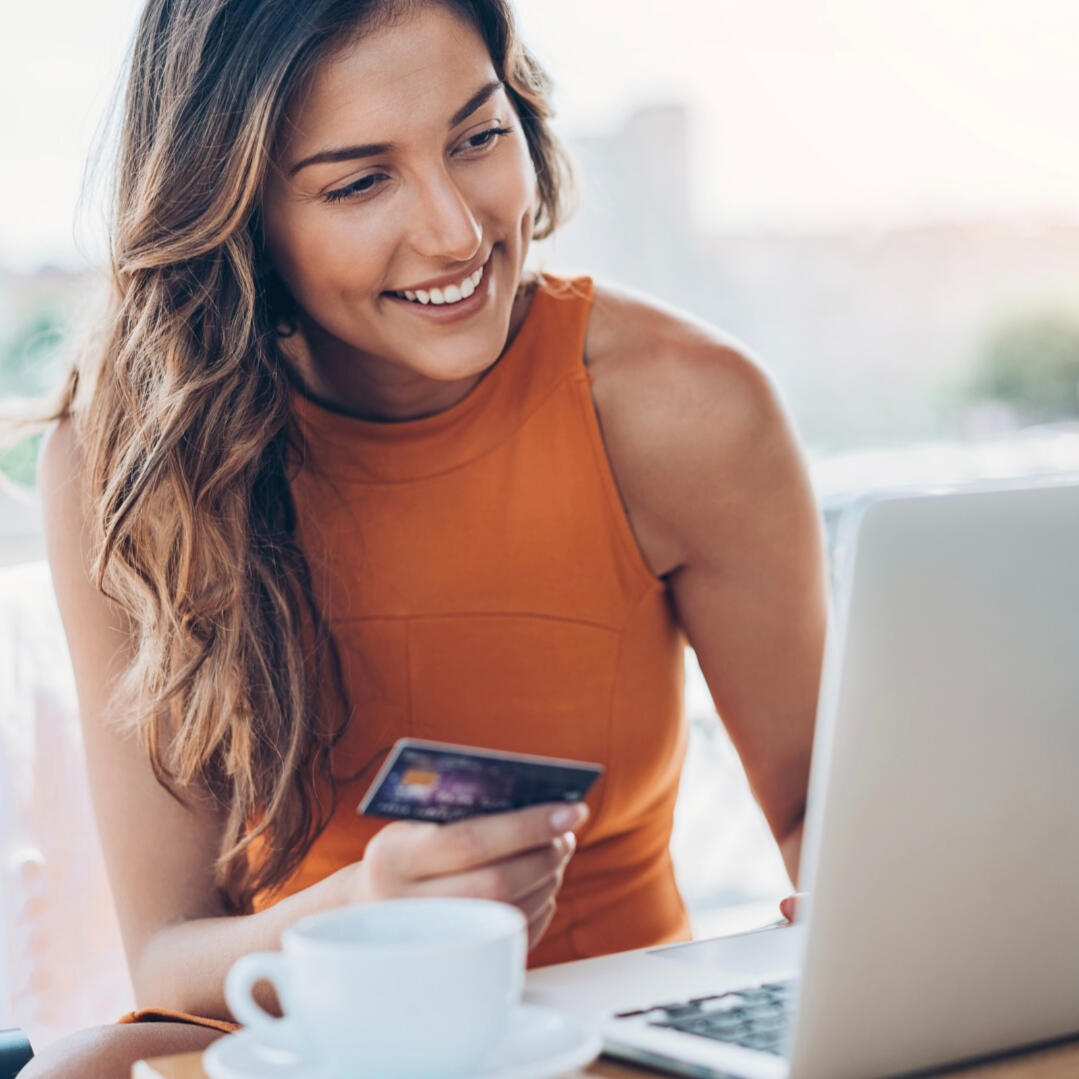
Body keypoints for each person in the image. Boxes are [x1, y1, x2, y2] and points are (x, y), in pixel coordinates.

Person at [22, 0, 828, 1074]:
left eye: (477, 137)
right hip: (297, 1036)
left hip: (600, 1037)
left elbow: (820, 813)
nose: (455, 230)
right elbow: (169, 957)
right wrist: (357, 913)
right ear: (239, 211)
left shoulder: (685, 408)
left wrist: (854, 892)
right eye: (359, 181)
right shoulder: (127, 462)